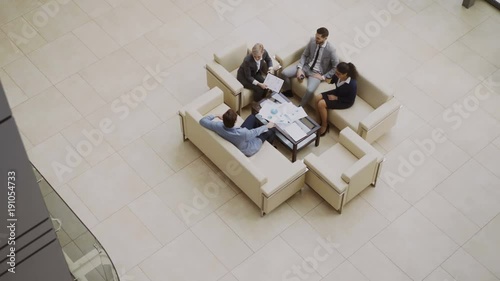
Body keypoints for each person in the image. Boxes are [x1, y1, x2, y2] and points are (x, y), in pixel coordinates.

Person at [280, 27, 339, 107]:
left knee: (310, 90)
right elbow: (305, 55)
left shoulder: (331, 50)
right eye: (315, 36)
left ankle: (300, 107)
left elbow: (336, 67)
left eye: (318, 38)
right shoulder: (312, 40)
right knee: (284, 73)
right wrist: (300, 68)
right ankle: (288, 91)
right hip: (306, 66)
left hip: (316, 73)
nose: (316, 39)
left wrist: (323, 77)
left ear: (325, 38)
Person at [199, 108, 276, 157]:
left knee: (252, 117)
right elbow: (255, 132)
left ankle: (260, 125)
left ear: (223, 119)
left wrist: (215, 115)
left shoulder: (217, 126)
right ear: (235, 121)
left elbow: (202, 121)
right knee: (271, 130)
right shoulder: (243, 133)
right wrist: (267, 126)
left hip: (238, 138)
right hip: (248, 147)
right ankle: (270, 143)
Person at [315, 62, 358, 136]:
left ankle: (325, 125)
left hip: (344, 101)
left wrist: (336, 98)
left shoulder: (352, 84)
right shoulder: (338, 76)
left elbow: (350, 100)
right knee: (317, 97)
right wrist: (324, 78)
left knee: (321, 104)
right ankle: (318, 119)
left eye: (338, 74)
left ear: (345, 74)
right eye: (336, 72)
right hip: (338, 93)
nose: (336, 75)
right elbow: (332, 81)